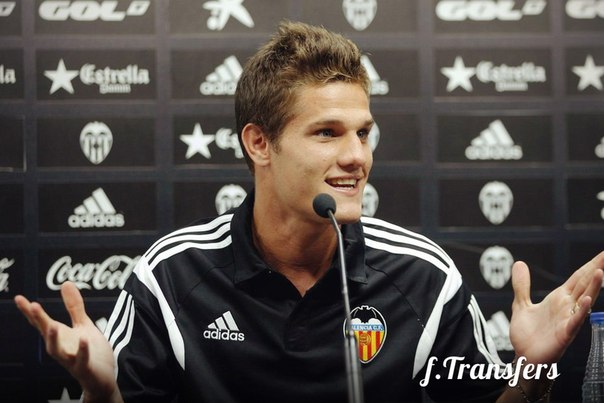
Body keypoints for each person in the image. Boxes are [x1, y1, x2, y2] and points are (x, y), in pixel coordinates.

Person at [14, 21, 604, 403]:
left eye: (363, 132)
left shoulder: (425, 277)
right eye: (327, 133)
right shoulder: (169, 276)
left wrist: (529, 375)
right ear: (259, 143)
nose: (357, 157)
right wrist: (101, 394)